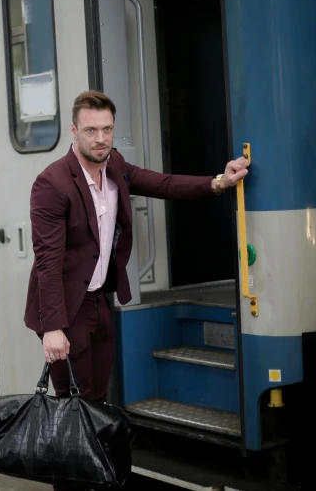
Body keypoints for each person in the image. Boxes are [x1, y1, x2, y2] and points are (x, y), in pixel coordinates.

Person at [23, 89, 249, 446]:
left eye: (107, 129)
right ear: (73, 131)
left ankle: (93, 476)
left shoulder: (115, 166)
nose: (101, 139)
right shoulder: (52, 184)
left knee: (95, 401)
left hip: (99, 302)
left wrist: (219, 182)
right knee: (71, 408)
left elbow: (163, 183)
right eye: (91, 131)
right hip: (66, 310)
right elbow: (47, 263)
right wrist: (53, 328)